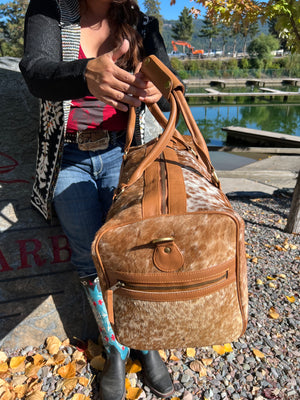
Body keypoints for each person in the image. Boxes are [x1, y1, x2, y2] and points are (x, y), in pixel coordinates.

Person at [20, 0, 175, 399]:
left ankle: (145, 341)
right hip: (66, 158)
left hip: (124, 157)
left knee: (137, 252)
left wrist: (161, 85)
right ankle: (115, 349)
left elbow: (171, 83)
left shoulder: (140, 22)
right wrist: (83, 72)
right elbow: (35, 73)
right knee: (87, 257)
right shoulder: (49, 11)